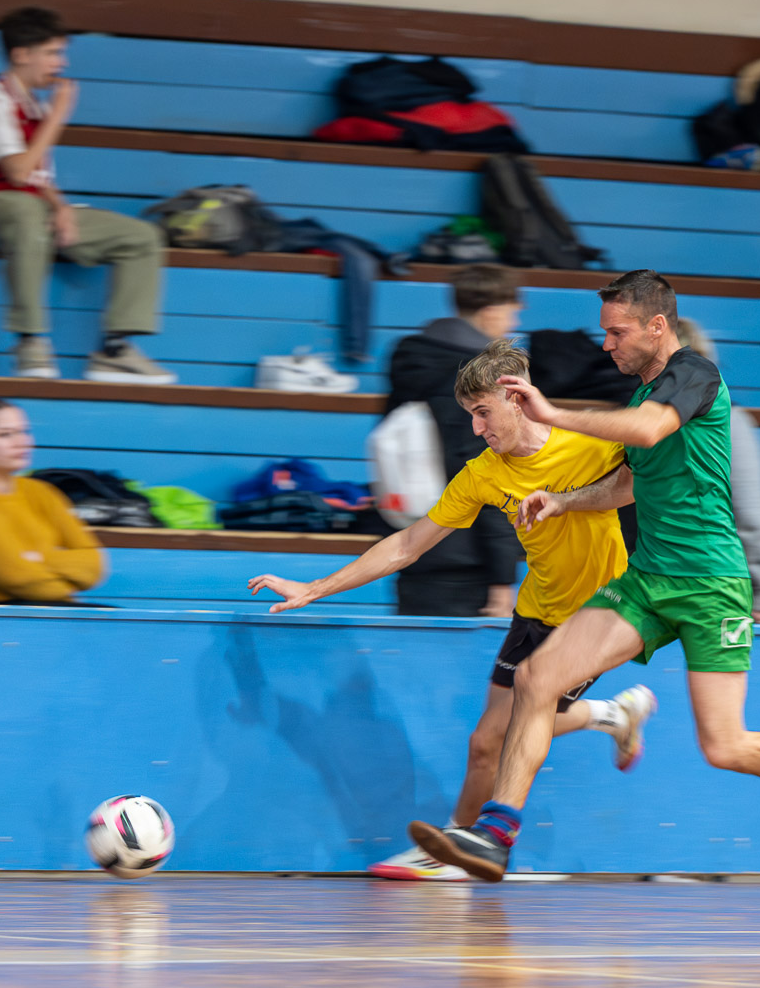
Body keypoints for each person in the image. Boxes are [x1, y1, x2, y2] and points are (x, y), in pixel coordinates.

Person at [408, 270, 760, 882]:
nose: (606, 344)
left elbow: (650, 430)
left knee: (724, 746)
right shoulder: (640, 397)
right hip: (648, 577)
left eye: (617, 332)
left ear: (657, 326)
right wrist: (566, 500)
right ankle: (495, 836)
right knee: (535, 678)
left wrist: (554, 412)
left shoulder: (695, 375)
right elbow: (629, 482)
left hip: (710, 582)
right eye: (605, 332)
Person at [248, 340, 655, 881]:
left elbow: (642, 482)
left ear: (517, 399)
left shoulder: (590, 443)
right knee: (484, 744)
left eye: (483, 413)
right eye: (470, 416)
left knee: (505, 732)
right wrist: (316, 587)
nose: (477, 429)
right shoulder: (483, 473)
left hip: (596, 616)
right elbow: (407, 544)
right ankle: (460, 846)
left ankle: (458, 846)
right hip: (536, 609)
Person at [0, 7, 171, 382]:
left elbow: (39, 179)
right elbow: (17, 172)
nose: (62, 62)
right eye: (53, 52)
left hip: (33, 210)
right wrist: (58, 116)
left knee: (142, 237)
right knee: (26, 212)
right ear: (21, 54)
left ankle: (115, 351)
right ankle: (30, 341)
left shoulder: (36, 106)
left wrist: (61, 208)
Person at [385, 264, 524, 618]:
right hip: (467, 559)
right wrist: (502, 578)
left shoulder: (410, 359)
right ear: (491, 311)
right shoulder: (485, 379)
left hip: (410, 541)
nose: (513, 323)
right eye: (512, 312)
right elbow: (488, 474)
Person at [0, 397, 108, 605]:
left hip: (45, 607)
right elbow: (15, 577)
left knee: (116, 619)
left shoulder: (42, 492)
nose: (21, 442)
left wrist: (39, 558)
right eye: (5, 434)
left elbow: (94, 564)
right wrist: (65, 585)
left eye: (24, 431)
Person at [675, 319, 760, 624]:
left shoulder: (632, 419)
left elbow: (750, 517)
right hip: (705, 589)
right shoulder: (728, 421)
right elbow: (751, 516)